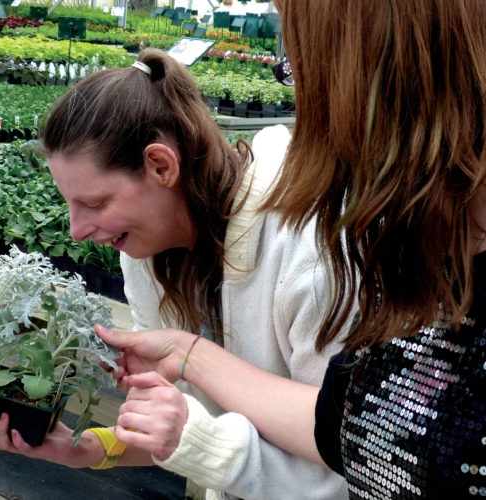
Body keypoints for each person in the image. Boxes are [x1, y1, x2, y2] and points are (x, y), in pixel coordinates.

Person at [94, 1, 486, 498]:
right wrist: (181, 358)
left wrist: (196, 434)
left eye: (302, 59)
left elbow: (336, 468)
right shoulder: (421, 248)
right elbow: (340, 426)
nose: (293, 80)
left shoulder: (324, 251)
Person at [0, 48, 351, 499]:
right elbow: (185, 424)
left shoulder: (313, 251)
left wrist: (191, 364)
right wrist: (91, 448)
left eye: (96, 203)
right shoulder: (146, 256)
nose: (77, 231)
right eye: (70, 202)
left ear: (161, 165)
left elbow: (348, 462)